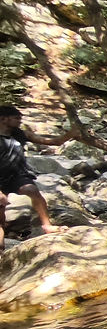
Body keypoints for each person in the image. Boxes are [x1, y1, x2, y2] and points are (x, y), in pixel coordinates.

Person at [0, 105, 76, 250]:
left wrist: (71, 134)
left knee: (32, 190)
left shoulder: (19, 134)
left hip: (18, 175)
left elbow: (54, 142)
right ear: (3, 119)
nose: (19, 121)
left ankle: (47, 226)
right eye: (16, 118)